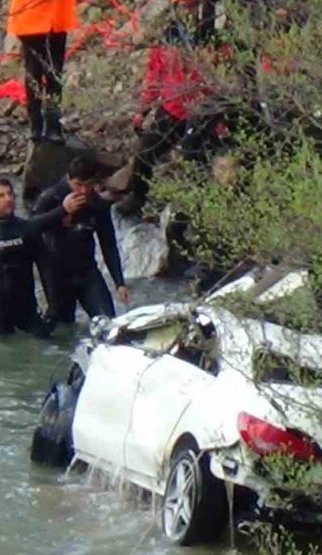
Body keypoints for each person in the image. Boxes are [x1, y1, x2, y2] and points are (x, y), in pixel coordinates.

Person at [113, 1, 214, 218]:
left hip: (202, 111)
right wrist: (143, 109)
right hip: (172, 108)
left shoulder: (211, 36)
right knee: (145, 153)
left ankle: (196, 212)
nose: (185, 10)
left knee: (196, 162)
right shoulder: (169, 35)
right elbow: (155, 76)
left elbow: (222, 77)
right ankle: (138, 197)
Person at [0, 178, 76, 337]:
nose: (8, 199)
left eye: (10, 194)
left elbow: (46, 268)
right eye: (1, 195)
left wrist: (53, 307)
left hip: (28, 314)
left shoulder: (27, 230)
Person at [32, 156, 131, 323]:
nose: (83, 191)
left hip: (87, 272)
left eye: (89, 185)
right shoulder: (51, 197)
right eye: (78, 185)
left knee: (107, 322)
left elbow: (108, 243)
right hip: (56, 274)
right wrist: (62, 211)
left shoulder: (97, 203)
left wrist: (119, 282)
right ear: (69, 179)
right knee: (62, 330)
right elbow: (30, 228)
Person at [7, 0, 77, 143]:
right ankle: (48, 126)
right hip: (41, 17)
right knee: (48, 74)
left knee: (41, 73)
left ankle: (41, 126)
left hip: (43, 18)